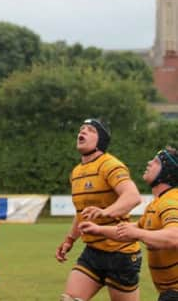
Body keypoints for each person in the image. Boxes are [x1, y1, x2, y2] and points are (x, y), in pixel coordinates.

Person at [55, 118, 142, 301]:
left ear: (100, 140)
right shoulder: (76, 172)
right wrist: (70, 240)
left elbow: (132, 196)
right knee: (69, 299)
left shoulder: (110, 165)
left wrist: (106, 211)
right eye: (81, 129)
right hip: (93, 252)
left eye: (90, 130)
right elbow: (81, 214)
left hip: (121, 253)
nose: (83, 131)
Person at [79, 147, 178, 301]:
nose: (149, 162)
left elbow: (174, 237)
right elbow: (132, 230)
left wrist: (138, 234)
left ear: (168, 172)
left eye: (156, 162)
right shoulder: (157, 204)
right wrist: (98, 229)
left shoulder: (171, 202)